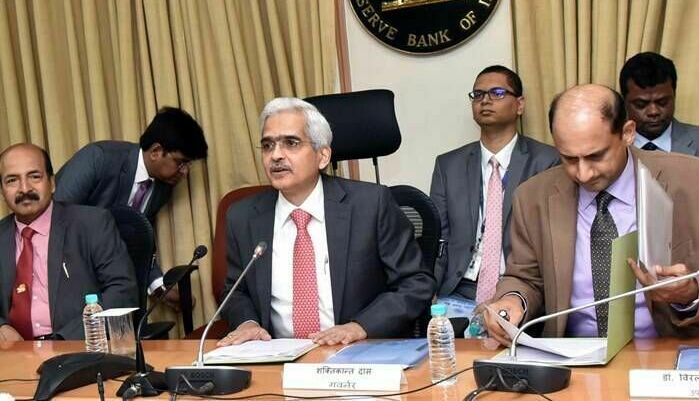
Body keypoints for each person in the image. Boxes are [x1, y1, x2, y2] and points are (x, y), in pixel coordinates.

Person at [483, 84, 699, 345]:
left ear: (627, 133)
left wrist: (691, 292)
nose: (583, 173)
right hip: (576, 356)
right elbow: (525, 278)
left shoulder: (698, 180)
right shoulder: (533, 197)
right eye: (569, 158)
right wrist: (513, 300)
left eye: (596, 156)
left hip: (675, 349)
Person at [217, 97, 435, 347]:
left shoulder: (370, 205)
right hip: (277, 355)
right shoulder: (243, 216)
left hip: (356, 351)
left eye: (291, 143)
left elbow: (416, 282)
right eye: (268, 146)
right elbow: (235, 291)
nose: (275, 155)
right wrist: (247, 323)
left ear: (322, 156)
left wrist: (361, 326)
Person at [430, 65, 559, 304]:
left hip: (519, 291)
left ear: (520, 105)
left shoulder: (548, 161)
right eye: (478, 94)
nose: (485, 100)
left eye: (497, 93)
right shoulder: (448, 165)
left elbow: (552, 243)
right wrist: (429, 290)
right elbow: (438, 240)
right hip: (458, 290)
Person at [54, 107, 208, 306]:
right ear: (156, 151)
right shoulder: (98, 158)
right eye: (181, 163)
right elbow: (56, 220)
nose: (185, 172)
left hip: (112, 279)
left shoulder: (162, 187)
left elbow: (139, 236)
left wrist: (158, 287)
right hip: (68, 275)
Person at [0, 144, 137, 341]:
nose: (25, 188)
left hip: (79, 346)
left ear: (52, 183)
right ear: (2, 192)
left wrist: (62, 340)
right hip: (14, 352)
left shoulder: (91, 223)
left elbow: (123, 291)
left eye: (34, 176)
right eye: (12, 180)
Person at [620, 52, 699, 166]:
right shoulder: (613, 147)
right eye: (641, 104)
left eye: (663, 102)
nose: (653, 111)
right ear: (624, 102)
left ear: (674, 95)